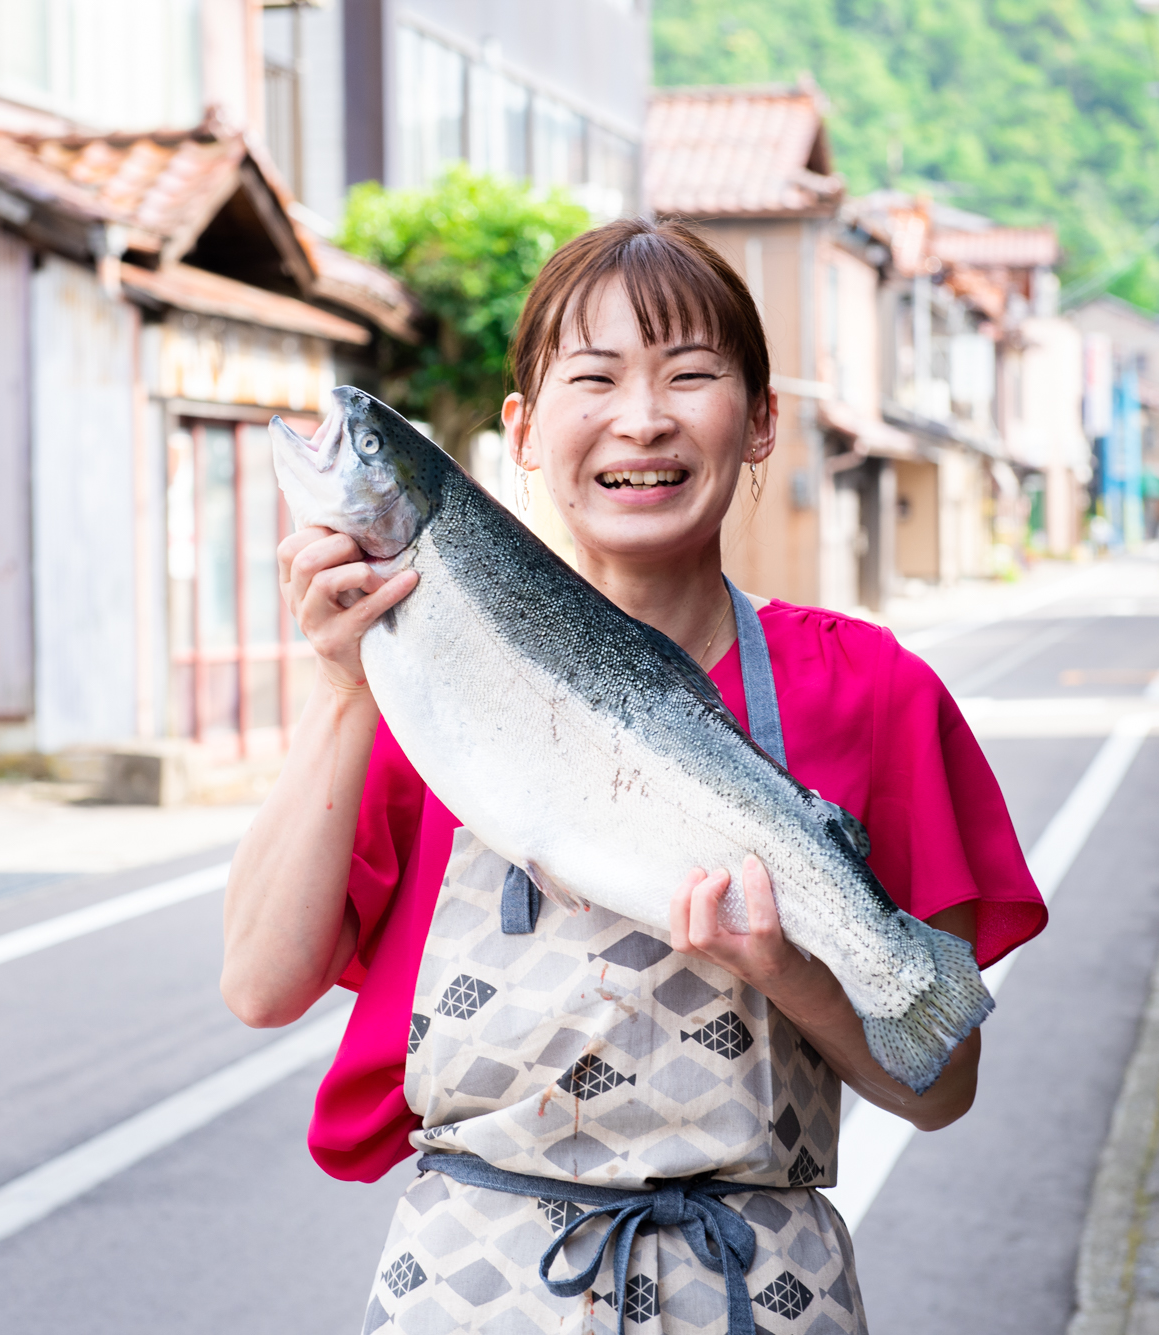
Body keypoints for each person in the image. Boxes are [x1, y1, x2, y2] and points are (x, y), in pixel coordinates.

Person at [222, 218, 1045, 1335]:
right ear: (520, 429)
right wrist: (341, 687)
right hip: (474, 1292)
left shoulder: (867, 690)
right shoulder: (423, 688)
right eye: (594, 377)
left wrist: (786, 968)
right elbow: (259, 986)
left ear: (758, 422)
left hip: (754, 1295)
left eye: (690, 375)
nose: (641, 418)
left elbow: (938, 1084)